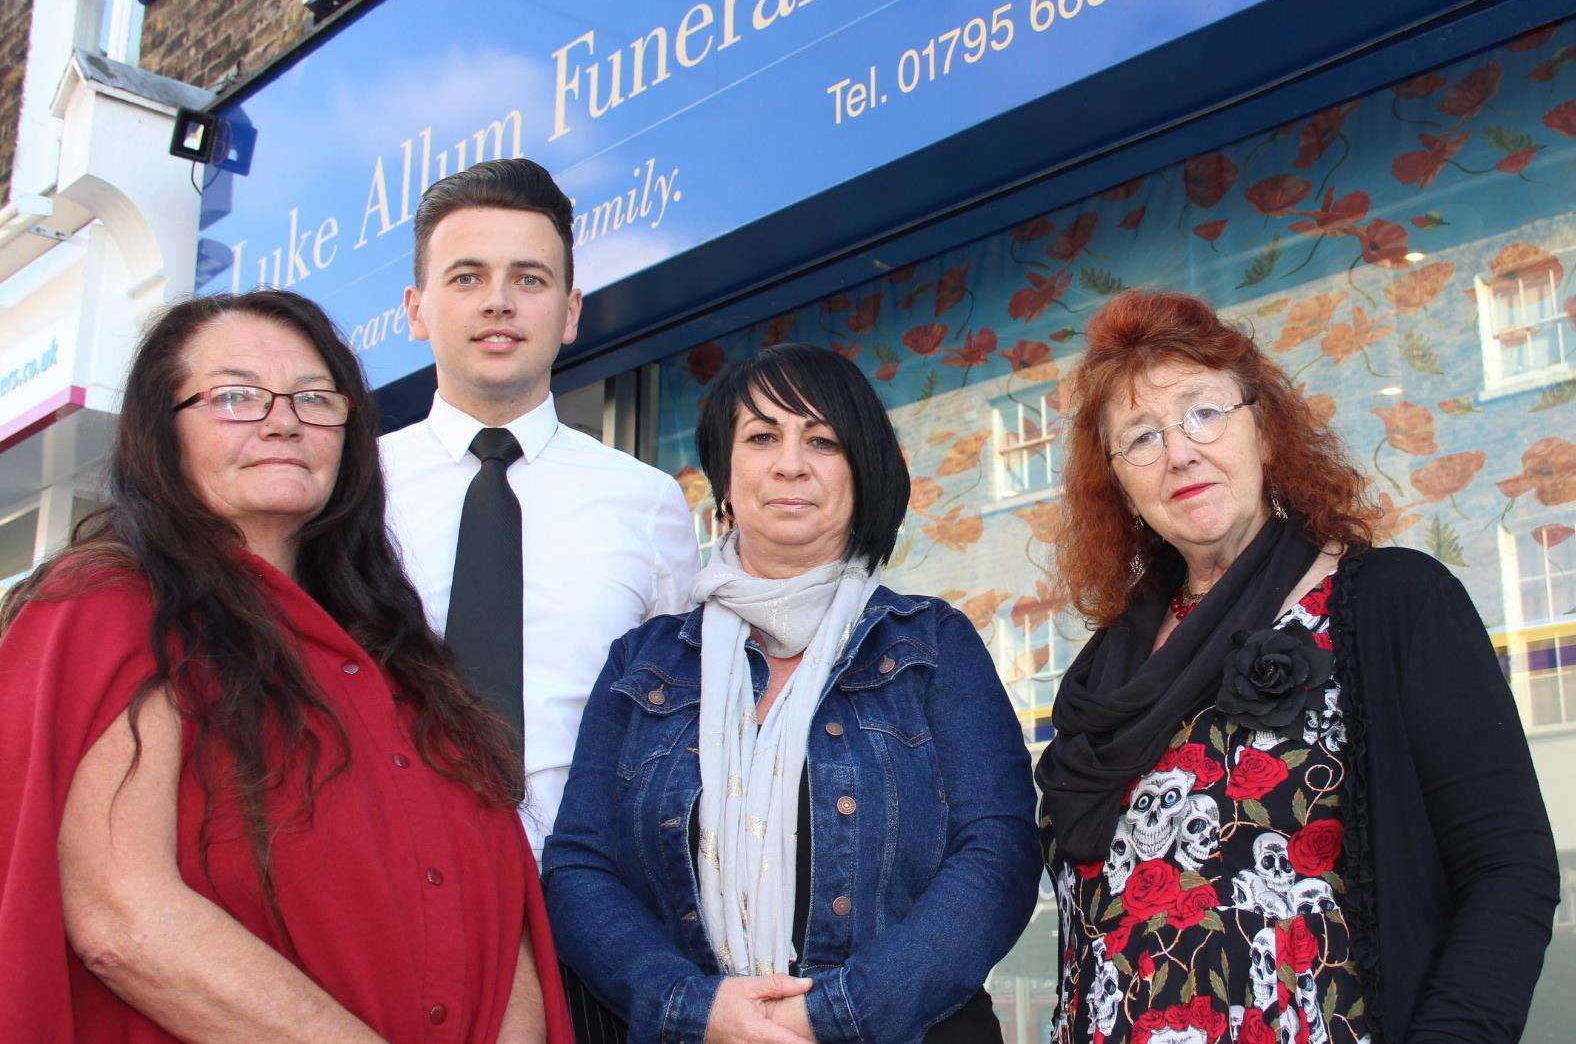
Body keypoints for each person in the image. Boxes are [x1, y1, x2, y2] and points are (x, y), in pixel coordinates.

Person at [0, 290, 571, 1041]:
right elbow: (122, 916)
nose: (283, 420)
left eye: (314, 398)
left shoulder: (399, 657)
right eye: (235, 396)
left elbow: (505, 915)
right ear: (160, 433)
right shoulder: (111, 605)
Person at [1036, 289, 1559, 1043]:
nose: (1179, 449)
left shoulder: (1391, 603)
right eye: (1141, 437)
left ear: (1267, 432)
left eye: (1202, 412)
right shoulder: (1103, 672)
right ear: (1120, 485)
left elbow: (1509, 870)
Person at [543, 342, 1041, 1043]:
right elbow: (578, 866)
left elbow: (999, 853)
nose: (790, 464)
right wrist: (695, 1008)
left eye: (822, 440)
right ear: (724, 475)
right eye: (762, 437)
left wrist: (838, 1013)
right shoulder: (642, 662)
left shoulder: (933, 645)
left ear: (861, 472)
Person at [381, 157, 700, 1039]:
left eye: (529, 278)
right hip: (391, 911)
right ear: (417, 311)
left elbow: (681, 729)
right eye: (467, 277)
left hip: (591, 928)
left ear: (568, 313)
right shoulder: (348, 494)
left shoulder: (648, 504)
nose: (498, 302)